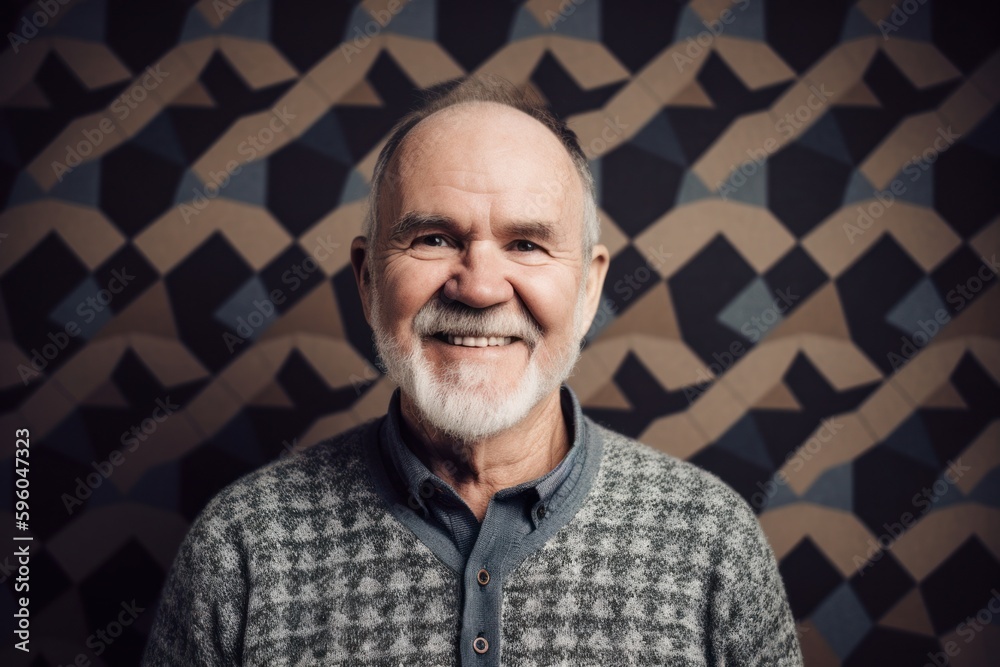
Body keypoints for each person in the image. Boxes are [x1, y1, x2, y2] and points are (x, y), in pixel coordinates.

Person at [142, 75, 803, 666]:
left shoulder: (713, 542)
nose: (480, 286)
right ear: (369, 279)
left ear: (590, 288)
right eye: (434, 238)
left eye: (526, 243)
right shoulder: (239, 547)